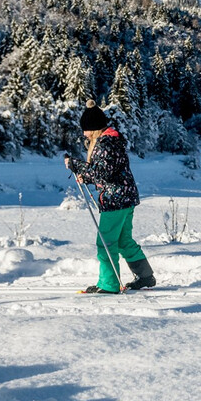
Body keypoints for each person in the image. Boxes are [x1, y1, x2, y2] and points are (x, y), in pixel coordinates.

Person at [65, 100, 156, 294]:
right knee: (123, 241)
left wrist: (77, 165)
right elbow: (105, 172)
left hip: (115, 200)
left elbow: (103, 173)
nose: (84, 133)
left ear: (94, 128)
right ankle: (145, 276)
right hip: (124, 197)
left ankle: (109, 284)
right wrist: (87, 174)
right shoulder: (111, 141)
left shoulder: (105, 144)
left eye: (86, 129)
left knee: (105, 243)